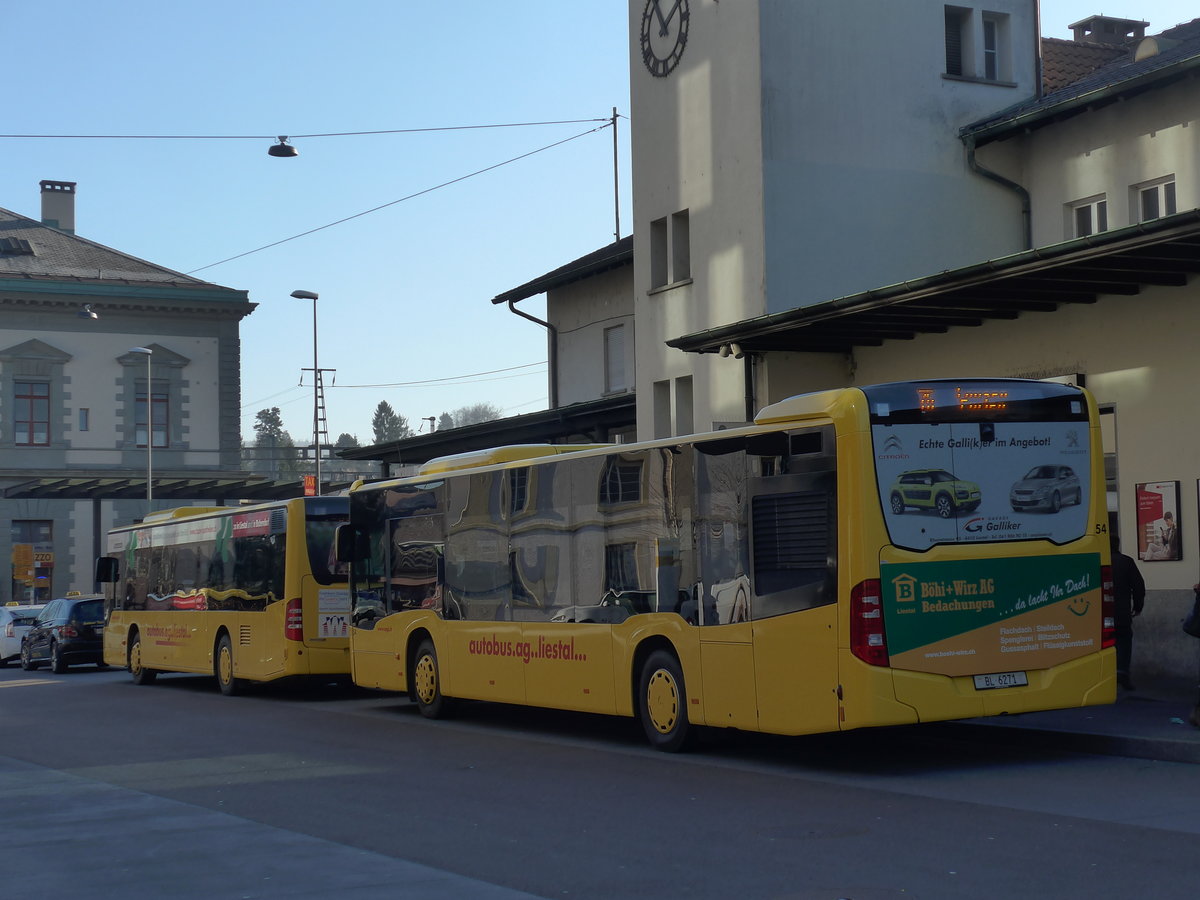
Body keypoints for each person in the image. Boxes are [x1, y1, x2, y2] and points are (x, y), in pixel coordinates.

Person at [1110, 534, 1146, 690]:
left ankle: (1106, 675)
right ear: (1118, 545)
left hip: (1098, 614)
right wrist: (1137, 607)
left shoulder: (1094, 561)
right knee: (1124, 640)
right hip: (1121, 612)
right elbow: (1139, 586)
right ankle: (1122, 672)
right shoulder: (1126, 562)